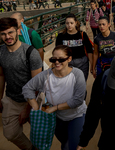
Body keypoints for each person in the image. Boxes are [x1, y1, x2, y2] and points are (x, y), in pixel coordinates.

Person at [23, 45, 87, 150]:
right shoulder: (46, 75)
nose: (56, 62)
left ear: (69, 59)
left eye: (61, 59)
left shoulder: (77, 74)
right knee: (65, 143)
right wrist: (35, 106)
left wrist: (55, 107)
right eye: (53, 59)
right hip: (56, 118)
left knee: (75, 146)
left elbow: (78, 100)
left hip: (76, 115)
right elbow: (27, 88)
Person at [0, 17, 43, 150]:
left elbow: (36, 85)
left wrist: (27, 109)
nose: (7, 37)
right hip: (11, 99)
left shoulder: (31, 53)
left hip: (32, 101)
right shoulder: (1, 52)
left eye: (10, 32)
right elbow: (1, 75)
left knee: (40, 136)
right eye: (3, 34)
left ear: (18, 31)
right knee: (10, 134)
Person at [56, 14, 93, 82]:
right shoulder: (61, 36)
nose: (69, 25)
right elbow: (56, 52)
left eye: (71, 23)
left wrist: (92, 65)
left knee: (81, 84)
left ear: (75, 23)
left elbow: (89, 50)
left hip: (82, 63)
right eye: (67, 23)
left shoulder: (82, 34)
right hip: (67, 64)